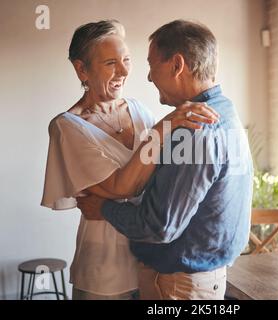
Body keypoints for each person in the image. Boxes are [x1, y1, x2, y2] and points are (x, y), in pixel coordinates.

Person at [40, 20, 219, 300]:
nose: (124, 71)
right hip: (105, 269)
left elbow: (165, 172)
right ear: (81, 69)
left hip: (154, 265)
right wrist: (164, 127)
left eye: (126, 60)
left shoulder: (138, 110)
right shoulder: (67, 127)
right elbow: (122, 187)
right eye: (111, 62)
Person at [77, 19, 253, 300]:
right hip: (205, 281)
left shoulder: (192, 130)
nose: (148, 76)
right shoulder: (226, 112)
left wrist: (104, 208)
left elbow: (158, 226)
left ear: (176, 65)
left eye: (151, 64)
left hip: (177, 287)